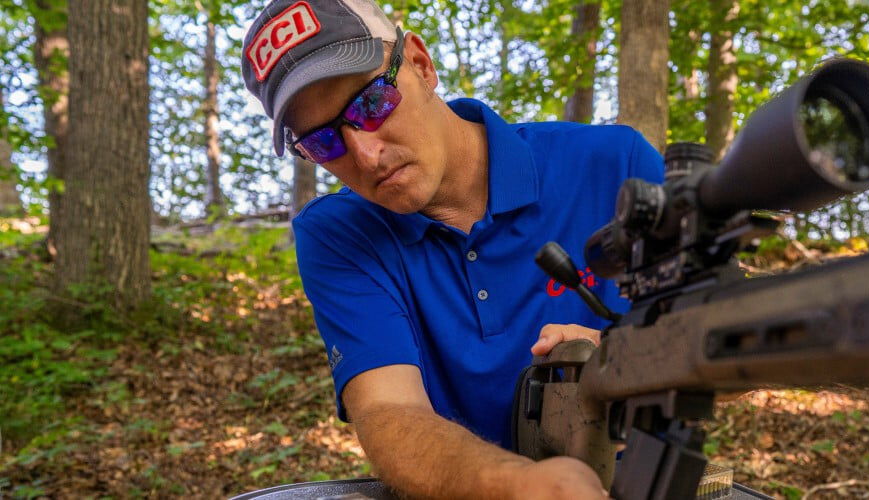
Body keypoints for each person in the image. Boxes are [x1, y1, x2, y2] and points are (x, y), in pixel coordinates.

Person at [240, 1, 663, 497]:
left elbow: (735, 339)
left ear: (420, 64)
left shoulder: (614, 166)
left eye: (371, 103)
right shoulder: (338, 233)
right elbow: (389, 412)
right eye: (322, 143)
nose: (365, 154)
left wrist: (630, 362)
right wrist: (525, 488)